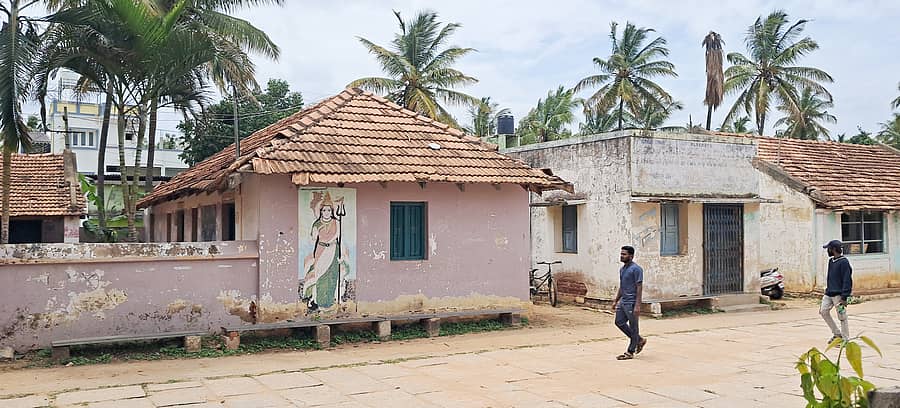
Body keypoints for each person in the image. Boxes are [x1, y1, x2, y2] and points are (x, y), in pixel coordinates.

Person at [612, 246, 646, 360]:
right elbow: (622, 286)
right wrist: (616, 300)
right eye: (621, 254)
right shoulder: (622, 269)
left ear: (631, 256)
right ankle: (639, 340)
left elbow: (639, 287)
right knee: (619, 322)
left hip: (632, 302)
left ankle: (630, 351)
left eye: (624, 254)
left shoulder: (637, 269)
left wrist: (637, 305)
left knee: (634, 327)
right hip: (623, 302)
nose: (622, 256)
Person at [821, 239, 852, 343]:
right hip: (829, 292)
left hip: (839, 295)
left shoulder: (844, 262)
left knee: (842, 317)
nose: (827, 251)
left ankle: (845, 339)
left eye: (828, 249)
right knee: (823, 311)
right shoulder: (831, 261)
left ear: (833, 249)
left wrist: (844, 297)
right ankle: (837, 334)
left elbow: (847, 280)